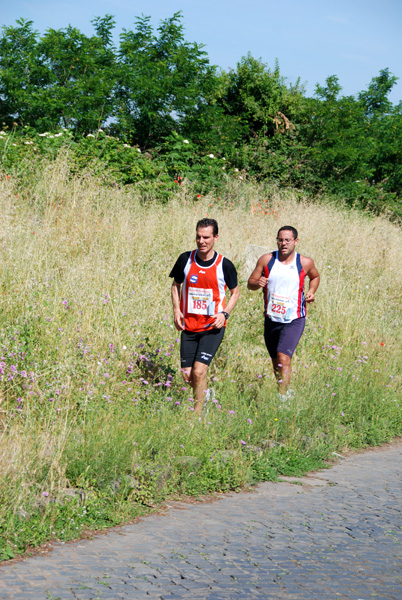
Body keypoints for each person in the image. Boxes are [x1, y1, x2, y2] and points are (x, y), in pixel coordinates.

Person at [170, 218, 240, 414]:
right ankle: (205, 395)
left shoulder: (224, 265)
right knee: (187, 375)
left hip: (212, 327)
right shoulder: (185, 259)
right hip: (189, 326)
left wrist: (224, 313)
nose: (202, 241)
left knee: (200, 371)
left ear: (215, 238)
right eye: (198, 237)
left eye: (206, 237)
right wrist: (177, 310)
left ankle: (197, 415)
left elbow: (236, 292)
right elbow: (176, 285)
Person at [247, 226, 320, 398]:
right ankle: (284, 389)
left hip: (294, 318)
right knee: (276, 361)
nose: (283, 243)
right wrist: (258, 283)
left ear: (296, 241)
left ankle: (283, 398)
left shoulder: (304, 262)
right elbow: (250, 283)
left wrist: (312, 291)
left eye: (287, 240)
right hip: (272, 317)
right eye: (280, 240)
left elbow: (315, 277)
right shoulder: (267, 260)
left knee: (283, 357)